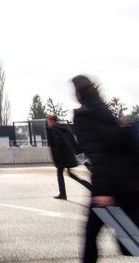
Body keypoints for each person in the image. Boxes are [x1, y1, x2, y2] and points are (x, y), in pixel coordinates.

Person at [72, 75, 139, 263]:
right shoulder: (104, 111)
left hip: (110, 188)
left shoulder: (84, 117)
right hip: (129, 183)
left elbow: (99, 156)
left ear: (78, 94)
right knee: (131, 237)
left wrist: (102, 192)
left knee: (93, 234)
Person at [45, 114, 87, 199]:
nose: (48, 122)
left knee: (61, 173)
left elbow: (54, 145)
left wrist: (56, 158)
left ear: (52, 120)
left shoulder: (53, 130)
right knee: (69, 174)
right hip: (68, 155)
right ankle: (63, 193)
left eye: (49, 120)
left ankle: (63, 194)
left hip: (60, 157)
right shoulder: (64, 128)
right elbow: (72, 141)